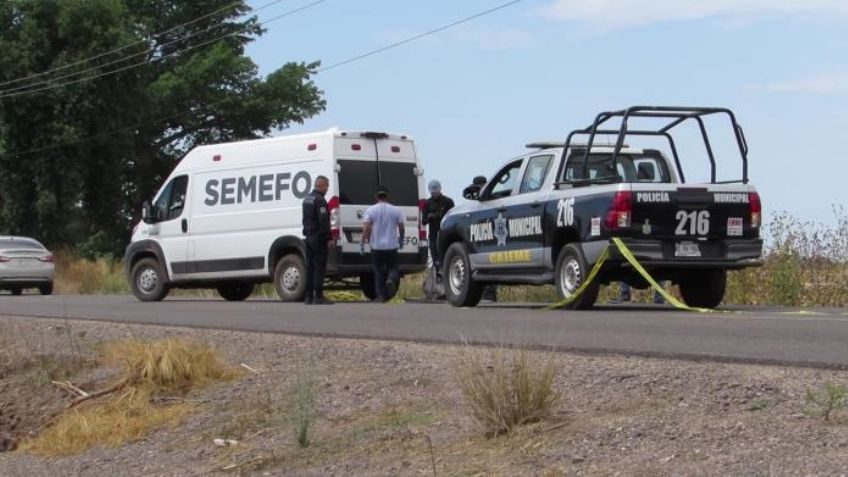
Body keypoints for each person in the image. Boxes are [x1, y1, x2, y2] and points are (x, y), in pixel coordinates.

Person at [361, 186, 405, 303]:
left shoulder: (371, 210)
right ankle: (391, 279)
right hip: (391, 246)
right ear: (387, 196)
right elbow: (401, 227)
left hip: (376, 246)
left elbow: (366, 228)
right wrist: (401, 239)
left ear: (376, 196)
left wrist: (363, 242)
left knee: (378, 272)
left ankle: (380, 296)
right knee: (393, 268)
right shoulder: (395, 210)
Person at [301, 175, 333, 305]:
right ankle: (318, 296)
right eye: (327, 187)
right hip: (318, 238)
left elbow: (305, 219)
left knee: (310, 267)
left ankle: (309, 297)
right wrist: (329, 237)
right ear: (322, 185)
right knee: (319, 267)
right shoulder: (320, 200)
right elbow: (323, 221)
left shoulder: (307, 199)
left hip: (308, 237)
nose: (327, 189)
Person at [422, 180, 454, 270]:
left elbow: (452, 217)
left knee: (445, 256)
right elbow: (423, 221)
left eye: (435, 192)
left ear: (440, 189)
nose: (434, 194)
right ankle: (436, 270)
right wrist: (429, 217)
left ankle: (445, 269)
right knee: (435, 257)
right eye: (432, 193)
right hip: (433, 234)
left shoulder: (448, 201)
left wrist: (439, 215)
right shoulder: (427, 203)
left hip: (445, 232)